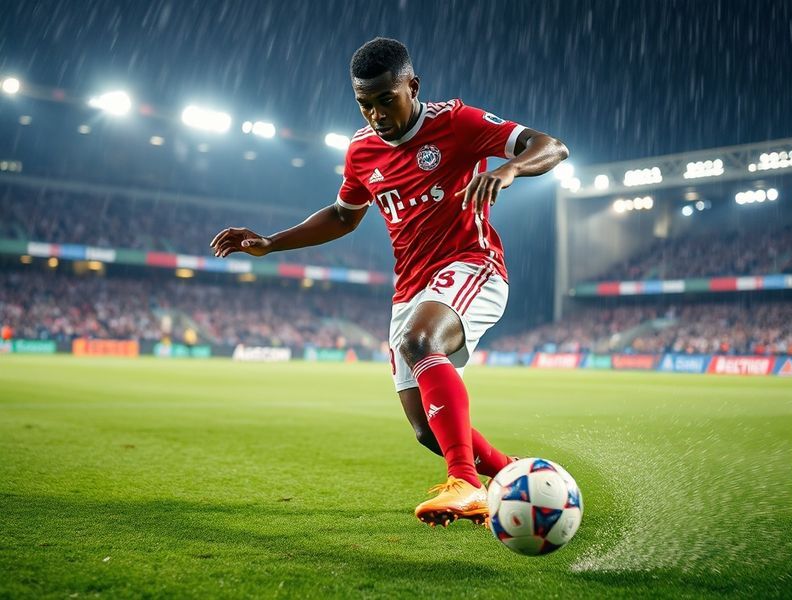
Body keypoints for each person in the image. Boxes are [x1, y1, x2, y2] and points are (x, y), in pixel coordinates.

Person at [210, 38, 568, 527]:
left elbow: (551, 146)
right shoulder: (360, 150)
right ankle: (518, 483)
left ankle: (464, 481)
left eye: (386, 100)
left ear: (412, 86)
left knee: (421, 342)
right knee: (426, 428)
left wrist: (510, 169)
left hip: (471, 264)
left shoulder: (455, 122)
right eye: (364, 104)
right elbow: (343, 215)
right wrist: (271, 243)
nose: (376, 114)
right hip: (410, 289)